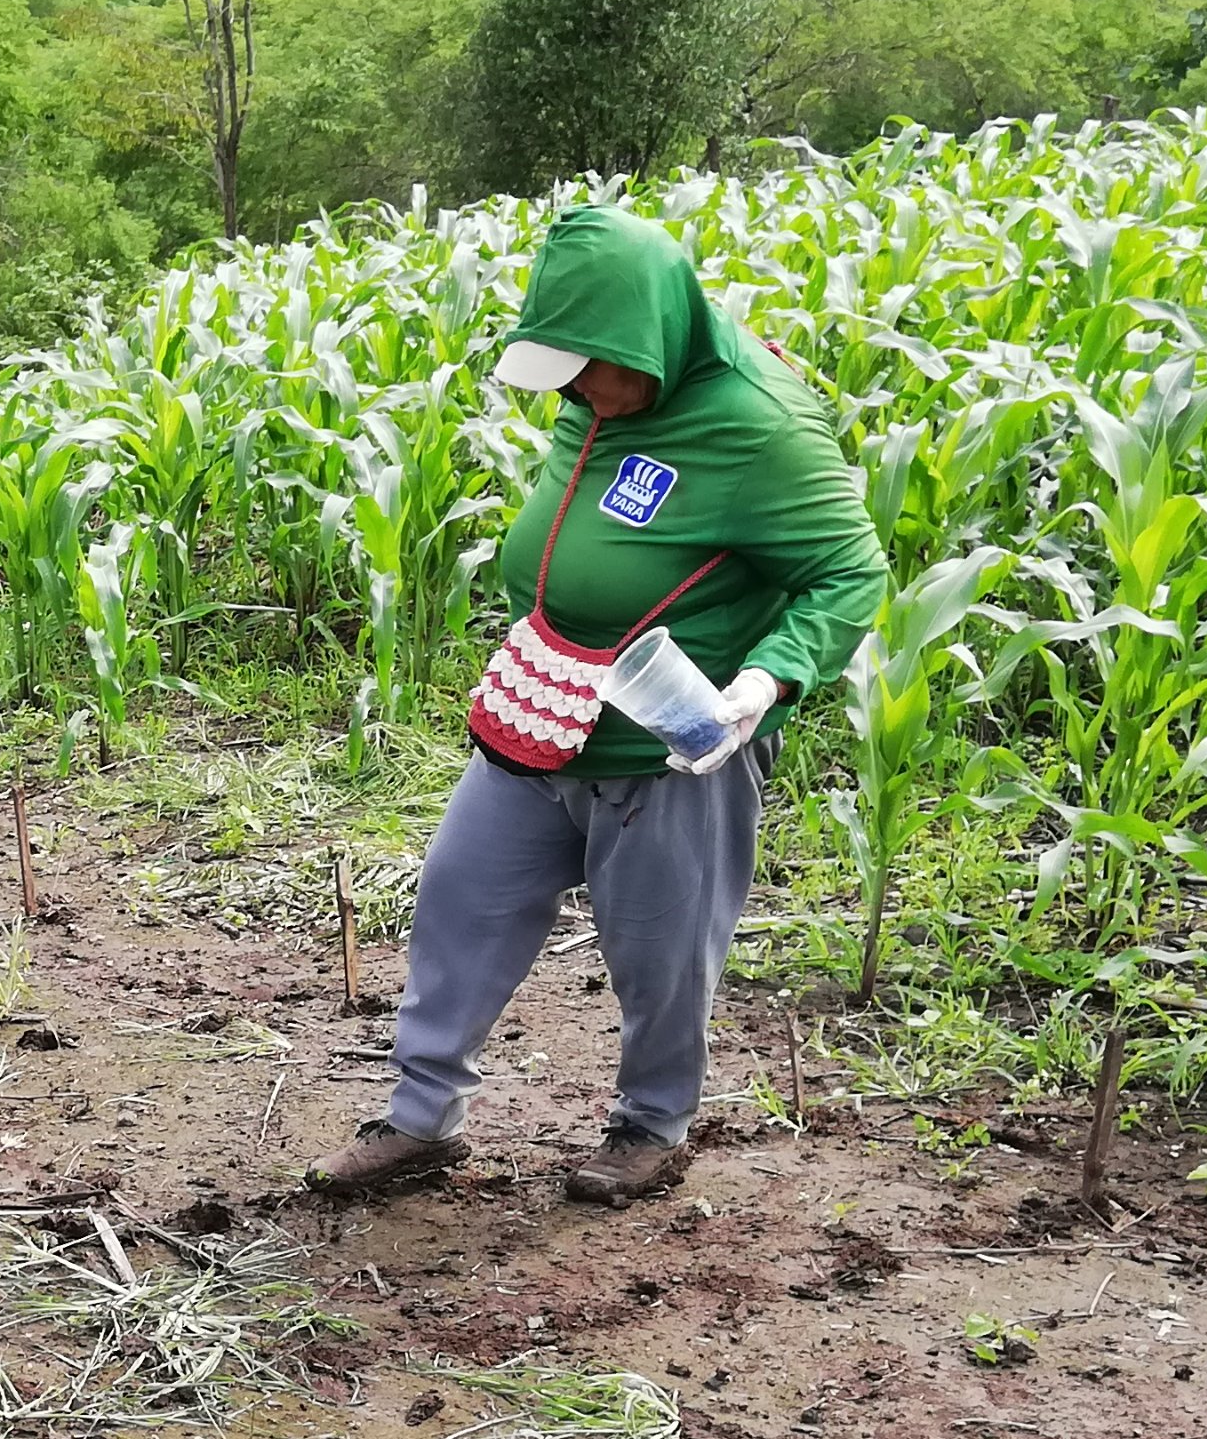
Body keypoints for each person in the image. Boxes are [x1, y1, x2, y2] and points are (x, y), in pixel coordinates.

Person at [308, 201, 886, 1208]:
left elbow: (849, 572)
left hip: (665, 747)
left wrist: (765, 681)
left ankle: (651, 1128)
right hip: (543, 711)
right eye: (561, 369)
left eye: (589, 369)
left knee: (660, 949)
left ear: (652, 338)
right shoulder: (602, 392)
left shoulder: (761, 428)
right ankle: (419, 1121)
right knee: (457, 901)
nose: (574, 390)